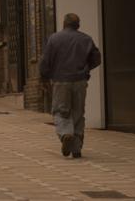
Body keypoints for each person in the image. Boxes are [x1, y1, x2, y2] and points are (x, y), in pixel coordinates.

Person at [40, 13, 101, 159]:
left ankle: (66, 134)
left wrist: (44, 78)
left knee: (61, 111)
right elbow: (96, 58)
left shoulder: (54, 39)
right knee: (78, 113)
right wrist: (85, 70)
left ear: (64, 24)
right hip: (80, 80)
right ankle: (77, 147)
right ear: (78, 25)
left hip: (60, 80)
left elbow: (45, 61)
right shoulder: (86, 39)